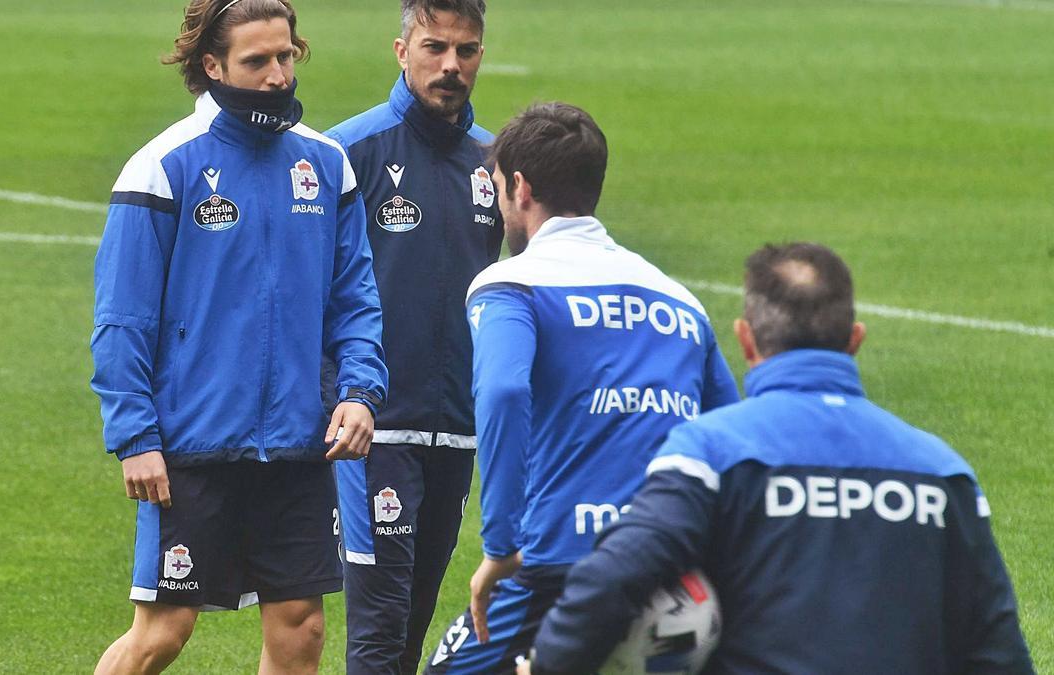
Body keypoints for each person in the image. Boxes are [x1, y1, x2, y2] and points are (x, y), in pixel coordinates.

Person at [521, 242, 1035, 674]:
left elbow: (614, 575)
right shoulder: (943, 472)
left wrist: (549, 663)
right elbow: (996, 647)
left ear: (746, 340)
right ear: (855, 341)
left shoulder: (711, 452)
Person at [89, 1, 387, 673]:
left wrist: (362, 391)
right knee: (162, 632)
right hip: (193, 444)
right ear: (211, 66)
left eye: (286, 56)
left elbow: (356, 301)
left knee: (302, 627)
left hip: (297, 442)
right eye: (257, 61)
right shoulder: (163, 168)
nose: (278, 75)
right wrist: (135, 436)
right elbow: (121, 320)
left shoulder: (325, 165)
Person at [423, 102, 740, 674]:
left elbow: (502, 393)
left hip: (559, 559)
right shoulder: (679, 301)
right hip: (671, 562)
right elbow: (731, 431)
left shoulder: (511, 283)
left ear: (519, 187)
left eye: (498, 188)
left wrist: (500, 544)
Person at [324, 1, 502, 673]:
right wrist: (337, 398)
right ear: (400, 51)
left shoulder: (493, 163)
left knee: (411, 624)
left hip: (456, 429)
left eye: (466, 49)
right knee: (378, 626)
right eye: (434, 47)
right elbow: (315, 294)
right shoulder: (349, 152)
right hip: (376, 429)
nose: (451, 65)